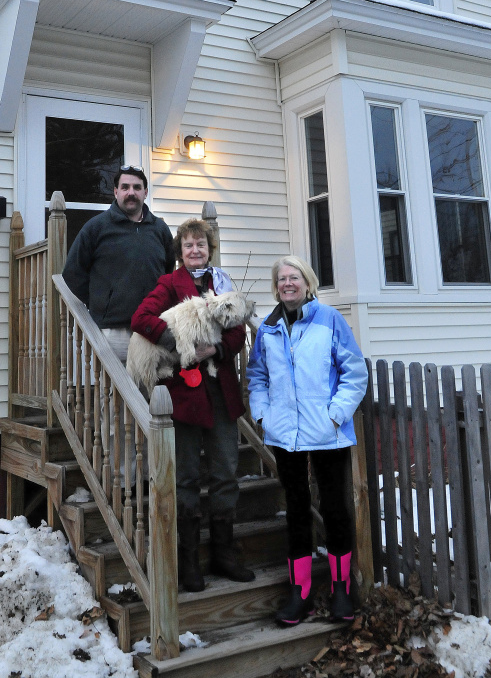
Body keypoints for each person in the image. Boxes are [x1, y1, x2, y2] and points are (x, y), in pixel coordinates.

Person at [131, 218, 255, 591]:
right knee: (184, 476)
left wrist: (216, 349)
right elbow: (141, 319)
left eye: (201, 244)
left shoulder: (224, 284)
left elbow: (237, 331)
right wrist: (179, 346)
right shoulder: (170, 284)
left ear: (209, 248)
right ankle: (188, 560)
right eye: (188, 245)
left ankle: (223, 553)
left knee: (225, 471)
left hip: (221, 393)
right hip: (184, 395)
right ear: (180, 252)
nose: (195, 250)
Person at [246, 255, 368, 626]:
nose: (287, 283)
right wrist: (263, 413)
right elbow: (257, 376)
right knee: (297, 510)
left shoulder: (329, 320)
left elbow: (354, 371)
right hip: (286, 435)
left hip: (327, 433)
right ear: (276, 286)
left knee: (334, 508)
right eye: (281, 279)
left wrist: (337, 413)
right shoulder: (267, 329)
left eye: (294, 277)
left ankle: (341, 589)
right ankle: (300, 594)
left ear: (307, 281)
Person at [62, 165, 175, 363]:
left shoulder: (160, 229)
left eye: (137, 187)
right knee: (111, 391)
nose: (131, 192)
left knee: (150, 389)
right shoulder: (96, 227)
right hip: (113, 332)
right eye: (125, 187)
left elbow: (168, 270)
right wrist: (100, 301)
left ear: (145, 192)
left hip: (152, 328)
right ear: (115, 192)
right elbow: (72, 272)